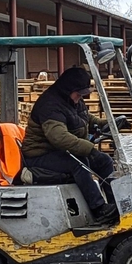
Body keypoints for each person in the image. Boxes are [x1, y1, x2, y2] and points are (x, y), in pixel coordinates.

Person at [20, 66, 118, 223]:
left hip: (58, 152)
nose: (81, 98)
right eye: (79, 94)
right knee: (79, 163)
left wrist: (107, 125)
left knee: (104, 160)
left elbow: (84, 119)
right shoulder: (50, 104)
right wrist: (89, 149)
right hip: (39, 155)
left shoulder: (72, 100)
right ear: (68, 89)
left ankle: (115, 205)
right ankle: (99, 209)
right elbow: (59, 138)